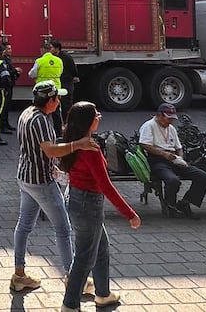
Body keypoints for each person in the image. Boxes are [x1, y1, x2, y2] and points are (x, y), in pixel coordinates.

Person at [11, 81, 99, 292]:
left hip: (25, 176)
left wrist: (53, 167)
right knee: (63, 229)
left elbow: (38, 150)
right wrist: (78, 144)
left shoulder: (27, 113)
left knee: (24, 225)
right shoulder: (40, 120)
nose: (59, 102)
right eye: (57, 98)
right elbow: (50, 150)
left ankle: (19, 274)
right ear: (50, 101)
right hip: (41, 182)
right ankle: (72, 277)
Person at [59, 102, 141, 311]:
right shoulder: (90, 149)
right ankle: (70, 304)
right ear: (88, 121)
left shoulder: (72, 142)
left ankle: (103, 293)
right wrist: (129, 214)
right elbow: (105, 185)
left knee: (101, 248)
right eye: (96, 115)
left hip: (76, 198)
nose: (99, 117)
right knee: (85, 257)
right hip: (88, 204)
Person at [138, 103, 206, 219]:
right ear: (160, 115)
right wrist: (164, 154)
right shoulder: (149, 126)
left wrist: (180, 159)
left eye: (172, 118)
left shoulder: (171, 128)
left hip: (173, 159)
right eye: (168, 118)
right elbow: (145, 145)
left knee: (203, 177)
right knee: (173, 180)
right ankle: (170, 205)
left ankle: (185, 202)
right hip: (157, 160)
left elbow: (179, 147)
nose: (170, 121)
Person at [29, 41, 65, 134]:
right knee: (56, 112)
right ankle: (58, 133)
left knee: (43, 112)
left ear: (42, 50)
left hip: (42, 90)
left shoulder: (40, 61)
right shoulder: (59, 60)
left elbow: (32, 74)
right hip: (56, 89)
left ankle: (44, 132)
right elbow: (60, 72)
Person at [49, 39, 79, 121]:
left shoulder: (66, 57)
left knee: (66, 105)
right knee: (55, 106)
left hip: (66, 83)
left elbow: (73, 69)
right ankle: (58, 126)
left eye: (51, 47)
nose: (49, 49)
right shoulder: (51, 58)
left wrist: (74, 77)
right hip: (57, 84)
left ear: (57, 48)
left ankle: (67, 123)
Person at [0, 41, 22, 134]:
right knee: (3, 107)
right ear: (3, 50)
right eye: (8, 48)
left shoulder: (7, 58)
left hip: (10, 84)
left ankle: (6, 124)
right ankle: (2, 126)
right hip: (5, 86)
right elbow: (6, 72)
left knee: (7, 106)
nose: (10, 50)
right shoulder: (3, 60)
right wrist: (15, 71)